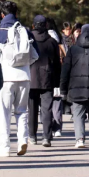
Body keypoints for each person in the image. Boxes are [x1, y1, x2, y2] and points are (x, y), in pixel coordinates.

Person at [0, 1, 38, 154]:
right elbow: (35, 55)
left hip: (6, 77)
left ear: (2, 15)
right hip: (24, 77)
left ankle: (4, 148)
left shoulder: (0, 33)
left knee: (4, 113)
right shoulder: (26, 32)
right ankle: (22, 140)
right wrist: (25, 64)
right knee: (22, 111)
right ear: (16, 14)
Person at [28, 15, 62, 147]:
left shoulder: (29, 40)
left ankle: (32, 135)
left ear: (33, 25)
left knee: (32, 109)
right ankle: (46, 137)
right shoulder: (52, 41)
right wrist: (57, 81)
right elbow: (57, 63)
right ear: (46, 25)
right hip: (47, 77)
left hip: (31, 77)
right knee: (46, 109)